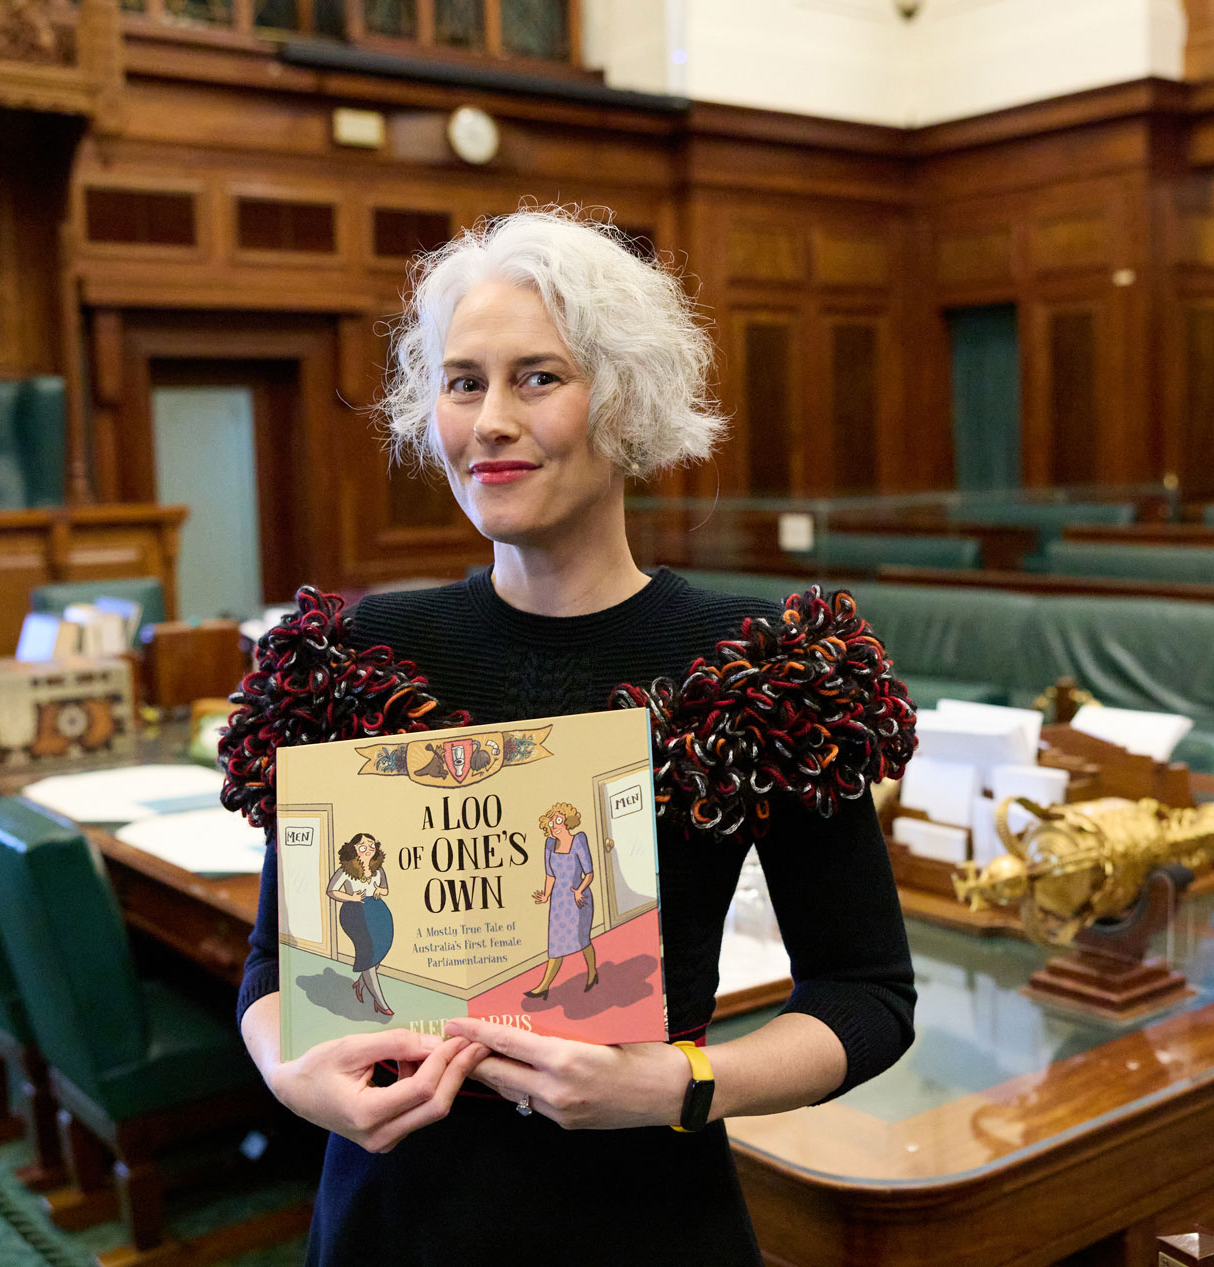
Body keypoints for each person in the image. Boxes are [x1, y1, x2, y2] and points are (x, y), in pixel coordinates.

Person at [223, 206, 916, 1266]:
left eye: (537, 378)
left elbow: (864, 995)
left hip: (642, 1221)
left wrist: (680, 1082)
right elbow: (272, 966)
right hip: (391, 1224)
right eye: (464, 382)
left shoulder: (758, 662)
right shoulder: (355, 652)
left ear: (624, 402)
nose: (489, 421)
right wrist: (284, 1069)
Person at [526, 802, 595, 999]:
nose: (554, 826)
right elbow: (550, 875)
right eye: (550, 823)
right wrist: (547, 895)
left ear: (567, 820)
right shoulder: (549, 844)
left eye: (558, 820)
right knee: (555, 945)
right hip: (558, 901)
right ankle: (544, 985)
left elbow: (589, 874)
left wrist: (579, 890)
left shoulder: (578, 841)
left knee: (582, 940)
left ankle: (592, 972)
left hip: (578, 899)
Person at [326, 833, 394, 1016]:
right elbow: (331, 890)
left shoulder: (378, 869)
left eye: (371, 845)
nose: (368, 849)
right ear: (353, 849)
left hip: (378, 910)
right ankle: (380, 1002)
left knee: (380, 950)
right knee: (368, 954)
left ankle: (361, 984)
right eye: (363, 846)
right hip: (355, 912)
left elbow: (385, 889)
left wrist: (380, 890)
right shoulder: (345, 870)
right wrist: (351, 897)